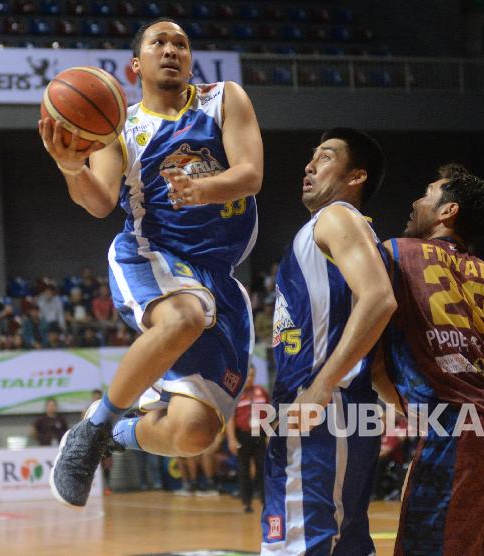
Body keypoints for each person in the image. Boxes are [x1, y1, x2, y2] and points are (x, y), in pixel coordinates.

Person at [41, 17, 263, 508]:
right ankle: (90, 433)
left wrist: (202, 188)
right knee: (183, 315)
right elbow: (99, 202)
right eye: (159, 42)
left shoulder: (224, 99)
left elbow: (250, 175)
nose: (172, 50)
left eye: (181, 43)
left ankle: (118, 432)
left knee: (194, 433)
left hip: (219, 278)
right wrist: (71, 167)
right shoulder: (121, 129)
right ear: (136, 64)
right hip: (152, 252)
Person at [262, 129, 396, 554]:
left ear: (356, 176)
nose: (309, 165)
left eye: (325, 157)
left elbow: (378, 300)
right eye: (312, 157)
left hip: (324, 407)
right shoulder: (345, 230)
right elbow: (371, 353)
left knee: (304, 545)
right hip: (331, 407)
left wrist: (319, 388)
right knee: (345, 543)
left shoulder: (336, 218)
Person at [381, 166, 484, 554]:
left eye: (427, 194)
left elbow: (371, 338)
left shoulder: (397, 252)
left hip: (459, 431)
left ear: (448, 212)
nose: (416, 201)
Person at [226, 364, 269, 513]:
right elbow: (230, 419)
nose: (250, 378)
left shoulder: (261, 392)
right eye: (247, 375)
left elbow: (269, 413)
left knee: (262, 469)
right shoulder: (235, 395)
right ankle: (246, 502)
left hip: (260, 435)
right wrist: (231, 439)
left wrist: (269, 435)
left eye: (252, 375)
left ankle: (265, 501)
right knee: (244, 470)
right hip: (242, 435)